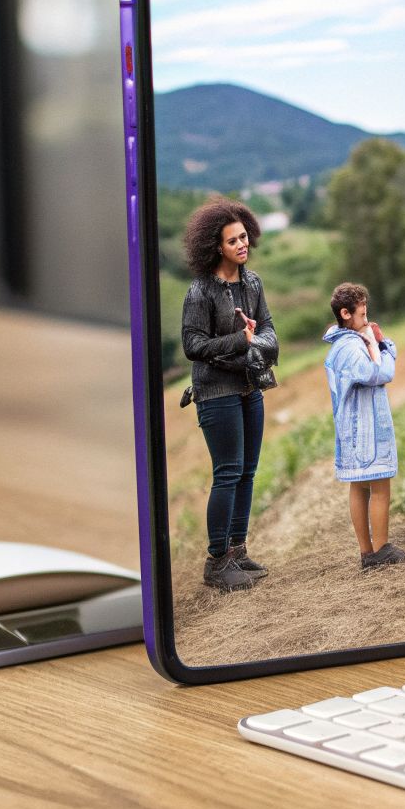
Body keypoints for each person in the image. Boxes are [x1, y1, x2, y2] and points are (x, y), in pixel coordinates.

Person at [180, 198, 278, 592]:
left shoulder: (252, 283)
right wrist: (242, 338)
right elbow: (192, 344)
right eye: (232, 240)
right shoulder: (200, 291)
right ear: (215, 246)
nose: (242, 245)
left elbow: (269, 331)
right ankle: (216, 562)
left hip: (250, 386)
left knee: (248, 472)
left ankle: (237, 551)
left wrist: (256, 341)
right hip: (215, 391)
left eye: (244, 237)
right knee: (228, 473)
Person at [322, 282, 405, 570]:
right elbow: (380, 373)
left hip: (353, 428)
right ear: (345, 313)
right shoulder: (350, 347)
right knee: (379, 485)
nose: (366, 317)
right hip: (365, 429)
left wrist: (373, 341)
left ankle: (368, 553)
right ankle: (379, 549)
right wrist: (383, 346)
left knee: (359, 486)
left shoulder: (343, 345)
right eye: (362, 313)